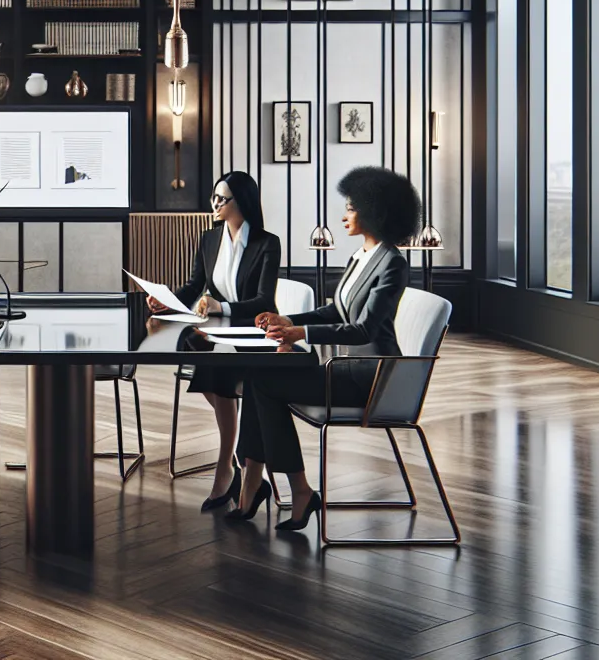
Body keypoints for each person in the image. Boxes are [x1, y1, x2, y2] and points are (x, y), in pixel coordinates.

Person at [228, 166, 419, 531]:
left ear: (375, 211)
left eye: (351, 208)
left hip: (373, 377)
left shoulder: (392, 264)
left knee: (264, 381)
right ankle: (266, 481)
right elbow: (336, 311)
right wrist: (287, 320)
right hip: (344, 370)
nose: (344, 215)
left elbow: (363, 330)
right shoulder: (362, 256)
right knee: (259, 375)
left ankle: (274, 485)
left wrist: (300, 333)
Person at [147, 171, 281, 511]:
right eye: (214, 198)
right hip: (218, 334)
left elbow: (265, 301)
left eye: (223, 199)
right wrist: (168, 302)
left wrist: (225, 306)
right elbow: (194, 286)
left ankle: (226, 467)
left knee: (217, 373)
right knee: (205, 362)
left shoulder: (267, 243)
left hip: (255, 333)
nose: (216, 204)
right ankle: (233, 462)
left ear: (242, 202)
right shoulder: (209, 239)